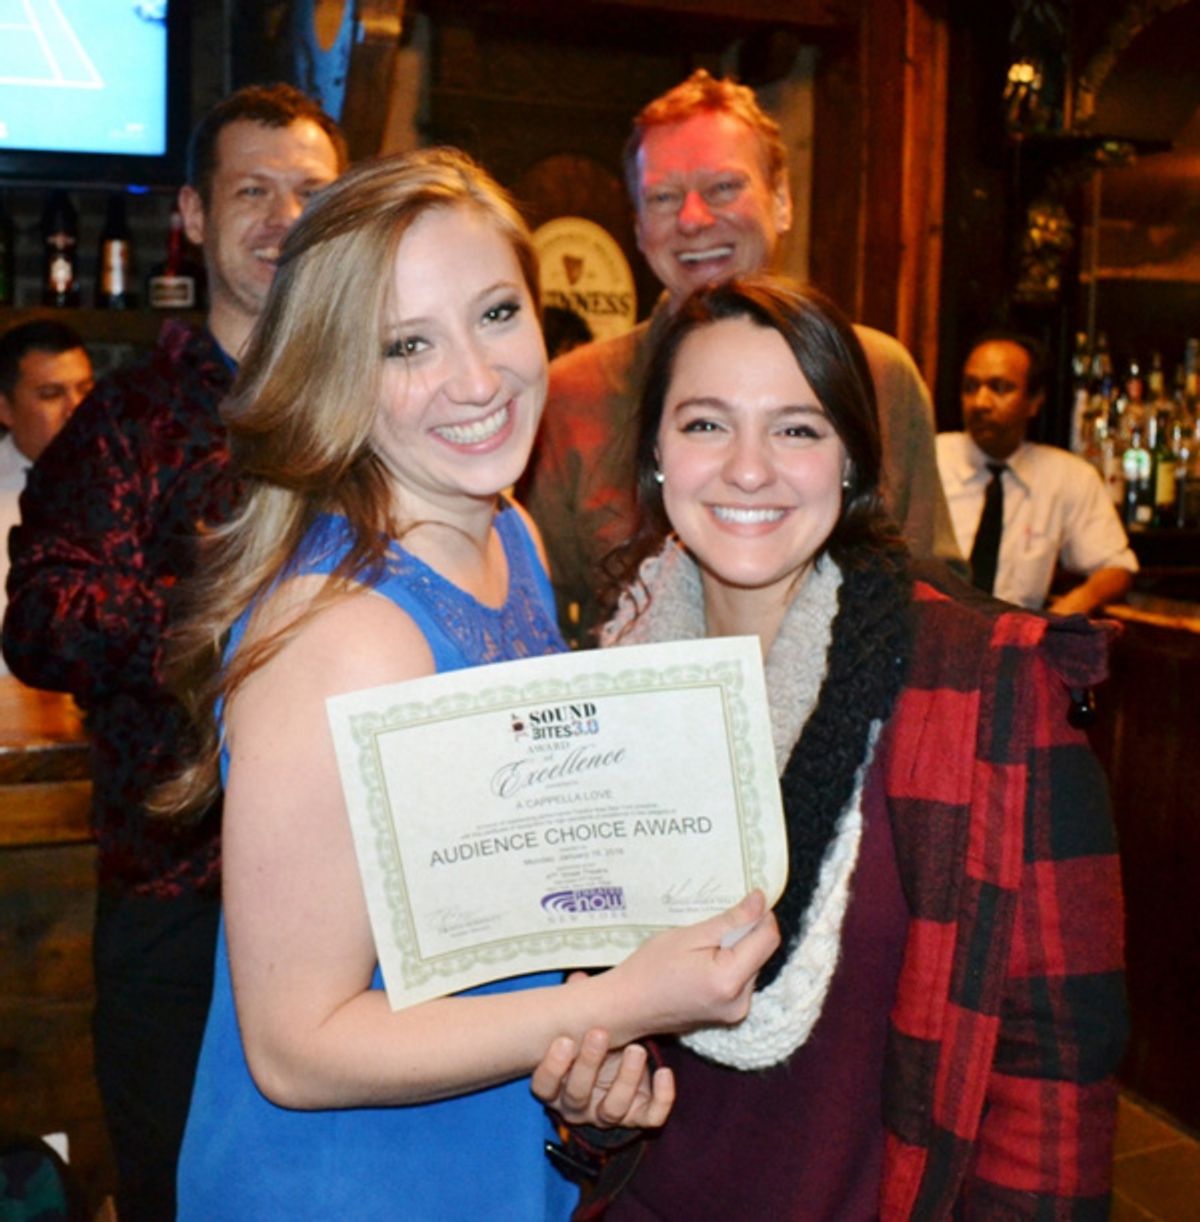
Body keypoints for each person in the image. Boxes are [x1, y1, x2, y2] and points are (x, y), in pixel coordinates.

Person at [154, 147, 780, 1218]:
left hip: (490, 1136)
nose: (479, 381)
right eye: (408, 344)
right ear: (335, 370)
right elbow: (295, 1048)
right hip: (348, 1184)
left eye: (496, 314)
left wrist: (593, 1025)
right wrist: (630, 995)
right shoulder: (339, 630)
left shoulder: (508, 532)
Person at [536, 278, 1127, 1218]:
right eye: (704, 425)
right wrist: (595, 1101)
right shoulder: (607, 689)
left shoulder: (987, 685)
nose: (748, 469)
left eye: (797, 428)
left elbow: (1058, 1060)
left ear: (851, 457)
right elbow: (600, 1020)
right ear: (654, 456)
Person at [1, 84, 346, 1220]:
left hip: (368, 888)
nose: (282, 215)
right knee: (178, 1194)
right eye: (253, 190)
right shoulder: (126, 420)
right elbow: (42, 617)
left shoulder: (378, 410)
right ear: (193, 215)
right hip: (179, 895)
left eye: (309, 191)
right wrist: (232, 621)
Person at [520, 68, 962, 648]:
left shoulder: (877, 374)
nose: (694, 218)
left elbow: (935, 595)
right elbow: (539, 623)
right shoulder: (569, 394)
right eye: (663, 197)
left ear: (781, 201)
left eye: (724, 187)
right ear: (637, 225)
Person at [938, 332, 1137, 614]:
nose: (980, 402)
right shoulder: (932, 459)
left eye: (1000, 388)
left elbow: (1118, 567)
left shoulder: (1067, 477)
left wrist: (1056, 619)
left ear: (1035, 400)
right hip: (929, 640)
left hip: (1015, 646)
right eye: (970, 387)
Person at [0, 320, 93, 635]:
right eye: (51, 394)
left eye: (85, 390)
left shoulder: (132, 485)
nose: (76, 408)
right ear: (5, 409)